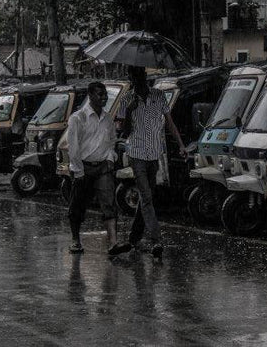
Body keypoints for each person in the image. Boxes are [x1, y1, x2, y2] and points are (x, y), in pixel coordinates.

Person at [118, 66, 187, 259]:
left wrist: (180, 144)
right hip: (137, 153)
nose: (137, 81)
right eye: (133, 77)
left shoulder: (159, 96)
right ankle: (157, 240)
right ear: (130, 78)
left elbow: (169, 122)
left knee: (146, 198)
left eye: (139, 76)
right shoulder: (126, 100)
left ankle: (133, 238)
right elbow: (123, 131)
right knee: (147, 197)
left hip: (154, 153)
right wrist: (130, 112)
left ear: (145, 76)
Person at [67, 81, 131, 256]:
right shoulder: (77, 118)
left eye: (105, 95)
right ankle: (75, 240)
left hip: (103, 167)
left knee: (109, 204)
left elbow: (111, 141)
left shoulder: (108, 118)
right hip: (83, 168)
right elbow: (73, 147)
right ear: (90, 95)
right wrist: (78, 171)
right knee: (78, 205)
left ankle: (113, 243)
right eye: (100, 95)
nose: (103, 98)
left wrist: (110, 158)